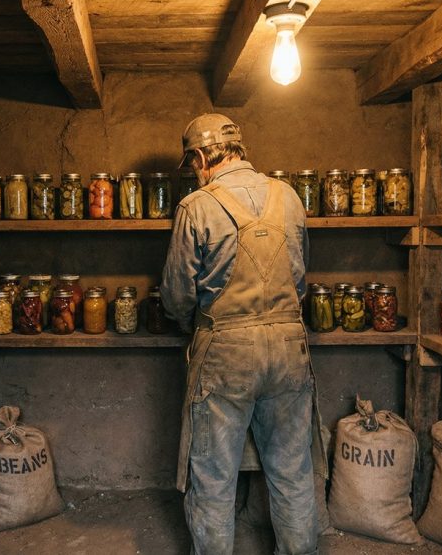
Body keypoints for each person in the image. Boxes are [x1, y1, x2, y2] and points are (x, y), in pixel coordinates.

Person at [161, 113, 325, 555]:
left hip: (226, 353)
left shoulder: (196, 206)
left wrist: (189, 323)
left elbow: (177, 298)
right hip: (290, 347)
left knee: (213, 478)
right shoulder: (288, 196)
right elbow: (300, 281)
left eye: (192, 164)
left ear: (199, 157)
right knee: (292, 471)